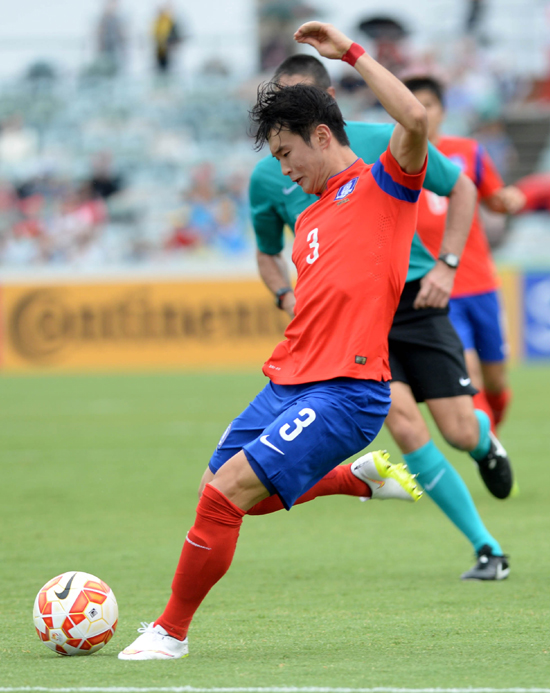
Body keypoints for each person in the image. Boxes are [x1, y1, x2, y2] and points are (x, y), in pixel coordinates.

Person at [118, 20, 428, 661]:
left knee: (226, 492)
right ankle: (357, 481)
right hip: (287, 380)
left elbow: (417, 118)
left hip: (348, 389)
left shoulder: (386, 186)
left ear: (321, 136)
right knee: (226, 493)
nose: (285, 172)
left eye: (287, 155)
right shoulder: (309, 216)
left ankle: (169, 633)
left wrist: (350, 54)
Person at [249, 54, 513, 581]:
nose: (285, 115)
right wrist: (285, 296)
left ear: (325, 107)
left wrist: (448, 264)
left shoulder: (379, 141)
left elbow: (459, 187)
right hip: (354, 324)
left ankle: (482, 437)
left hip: (415, 300)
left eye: (297, 100)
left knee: (458, 430)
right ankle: (487, 547)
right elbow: (265, 251)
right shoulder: (268, 175)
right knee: (405, 421)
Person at [404, 75, 526, 430]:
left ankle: (492, 433)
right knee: (468, 371)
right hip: (438, 287)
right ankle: (489, 450)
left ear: (442, 110)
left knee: (496, 381)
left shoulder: (469, 151)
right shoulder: (393, 159)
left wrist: (510, 200)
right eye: (412, 104)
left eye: (427, 104)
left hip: (481, 283)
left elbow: (495, 199)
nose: (420, 112)